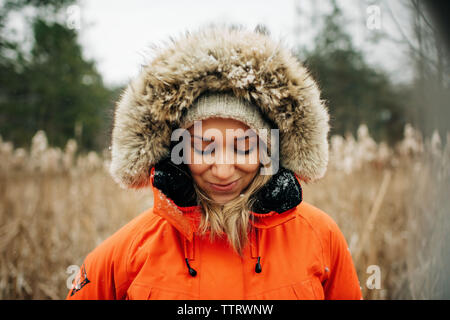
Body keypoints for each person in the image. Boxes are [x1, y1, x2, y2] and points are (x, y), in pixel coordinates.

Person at [66, 25, 363, 300]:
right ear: (177, 152)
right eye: (203, 148)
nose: (222, 170)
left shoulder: (320, 236)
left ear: (268, 152)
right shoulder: (131, 249)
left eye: (244, 148)